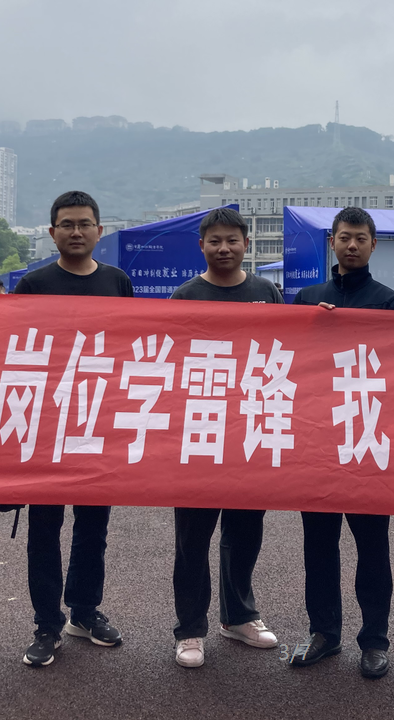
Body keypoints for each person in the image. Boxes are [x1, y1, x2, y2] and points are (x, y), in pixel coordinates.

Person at [12, 191, 130, 668]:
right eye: (67, 224)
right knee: (44, 528)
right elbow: (15, 350)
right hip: (47, 422)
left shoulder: (117, 281)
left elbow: (129, 347)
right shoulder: (34, 284)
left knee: (93, 526)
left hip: (98, 419)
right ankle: (47, 623)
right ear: (52, 232)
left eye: (84, 224)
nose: (76, 231)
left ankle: (84, 610)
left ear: (99, 231)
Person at [288, 206, 394, 680]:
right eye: (344, 237)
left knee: (373, 547)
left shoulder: (390, 302)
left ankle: (375, 640)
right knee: (318, 546)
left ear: (374, 244)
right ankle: (324, 632)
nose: (352, 245)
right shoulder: (307, 299)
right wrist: (313, 328)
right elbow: (290, 365)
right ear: (331, 242)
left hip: (368, 441)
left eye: (360, 238)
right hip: (317, 440)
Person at [167, 207, 283, 668]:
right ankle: (190, 629)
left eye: (232, 240)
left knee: (245, 531)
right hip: (200, 432)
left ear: (246, 244)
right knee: (192, 538)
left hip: (250, 429)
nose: (224, 248)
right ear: (201, 246)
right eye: (214, 241)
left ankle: (238, 616)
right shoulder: (185, 296)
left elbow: (287, 352)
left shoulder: (266, 292)